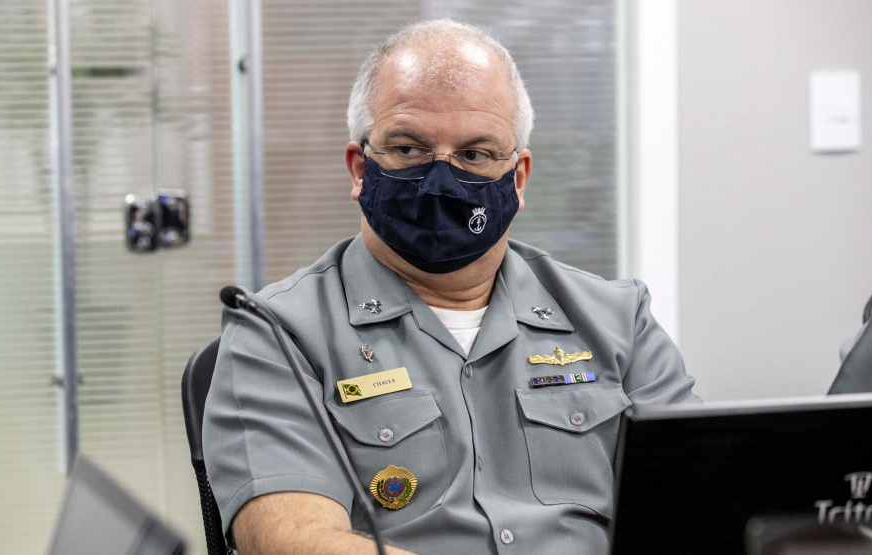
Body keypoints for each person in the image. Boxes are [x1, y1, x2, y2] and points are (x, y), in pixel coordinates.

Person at [203, 19, 699, 555]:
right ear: (359, 168)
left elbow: (711, 504)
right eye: (409, 149)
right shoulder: (277, 334)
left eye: (476, 154)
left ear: (519, 177)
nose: (441, 181)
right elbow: (292, 543)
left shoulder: (617, 319)